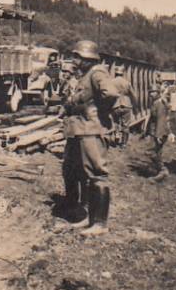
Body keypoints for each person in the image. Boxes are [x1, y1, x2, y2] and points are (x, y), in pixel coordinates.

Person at [59, 39, 119, 236]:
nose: (75, 61)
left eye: (78, 57)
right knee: (85, 174)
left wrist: (99, 113)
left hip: (92, 129)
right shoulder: (86, 75)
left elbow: (110, 94)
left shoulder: (97, 72)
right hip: (83, 129)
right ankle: (89, 218)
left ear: (88, 58)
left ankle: (100, 224)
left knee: (97, 174)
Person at [144, 86, 171, 181]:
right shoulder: (155, 103)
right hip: (155, 131)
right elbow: (152, 119)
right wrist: (146, 131)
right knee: (157, 152)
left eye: (153, 92)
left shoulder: (160, 104)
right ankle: (159, 171)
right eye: (150, 92)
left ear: (158, 92)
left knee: (150, 151)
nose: (151, 94)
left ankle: (162, 170)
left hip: (159, 131)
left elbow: (161, 120)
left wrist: (158, 135)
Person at [111, 64, 138, 148]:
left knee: (115, 122)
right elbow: (134, 95)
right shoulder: (127, 83)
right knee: (125, 125)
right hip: (126, 105)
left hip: (115, 104)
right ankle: (124, 143)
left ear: (115, 73)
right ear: (122, 73)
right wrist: (135, 105)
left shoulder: (112, 82)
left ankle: (116, 138)